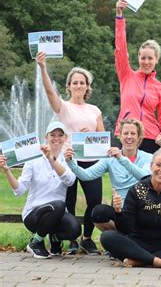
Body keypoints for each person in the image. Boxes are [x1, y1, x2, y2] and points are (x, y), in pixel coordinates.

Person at [36, 52, 104, 255]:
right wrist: (42, 68)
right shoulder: (63, 107)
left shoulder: (94, 110)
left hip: (91, 161)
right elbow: (49, 93)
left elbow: (102, 137)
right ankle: (72, 239)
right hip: (68, 160)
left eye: (82, 82)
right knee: (69, 201)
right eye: (74, 82)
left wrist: (90, 135)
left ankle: (87, 239)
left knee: (94, 201)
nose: (78, 86)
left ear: (87, 86)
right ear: (69, 86)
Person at [0, 121, 81, 258]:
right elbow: (19, 190)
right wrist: (7, 171)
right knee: (59, 205)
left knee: (74, 229)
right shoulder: (33, 159)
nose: (56, 138)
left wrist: (51, 159)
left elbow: (70, 180)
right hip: (34, 214)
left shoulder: (68, 158)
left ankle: (54, 238)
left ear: (65, 138)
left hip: (58, 213)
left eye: (60, 135)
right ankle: (35, 242)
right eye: (52, 135)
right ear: (46, 137)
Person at [65, 119, 152, 231]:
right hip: (120, 210)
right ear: (119, 136)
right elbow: (86, 175)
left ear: (139, 137)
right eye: (125, 133)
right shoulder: (110, 159)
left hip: (141, 209)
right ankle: (120, 235)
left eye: (133, 133)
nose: (129, 137)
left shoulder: (148, 157)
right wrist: (71, 162)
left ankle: (129, 238)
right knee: (98, 212)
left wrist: (122, 159)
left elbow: (145, 176)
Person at [114, 0, 161, 154]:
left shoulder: (160, 88)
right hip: (127, 134)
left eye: (150, 58)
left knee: (149, 178)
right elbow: (120, 49)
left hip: (150, 138)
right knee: (125, 177)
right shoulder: (126, 75)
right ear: (138, 58)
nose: (146, 62)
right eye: (143, 58)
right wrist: (120, 18)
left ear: (156, 60)